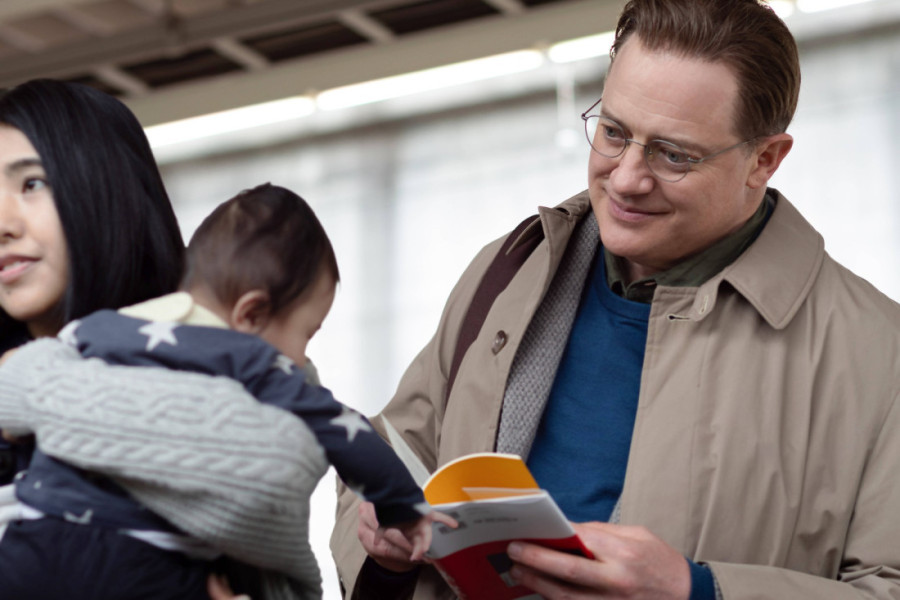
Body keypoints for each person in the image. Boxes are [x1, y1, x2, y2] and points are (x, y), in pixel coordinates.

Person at [331, 0, 900, 599]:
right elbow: (398, 451)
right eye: (613, 132)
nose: (626, 178)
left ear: (765, 160)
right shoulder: (509, 271)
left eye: (674, 154)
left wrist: (698, 591)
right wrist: (381, 540)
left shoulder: (878, 354)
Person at [0, 182, 452, 599]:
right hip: (136, 565)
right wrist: (403, 506)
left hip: (31, 545)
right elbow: (346, 432)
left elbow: (22, 386)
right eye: (306, 334)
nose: (301, 358)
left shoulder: (96, 328)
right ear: (250, 314)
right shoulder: (254, 360)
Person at [0, 79, 328, 600]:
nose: (3, 223)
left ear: (103, 186)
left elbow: (267, 480)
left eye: (32, 184)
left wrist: (28, 383)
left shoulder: (239, 346)